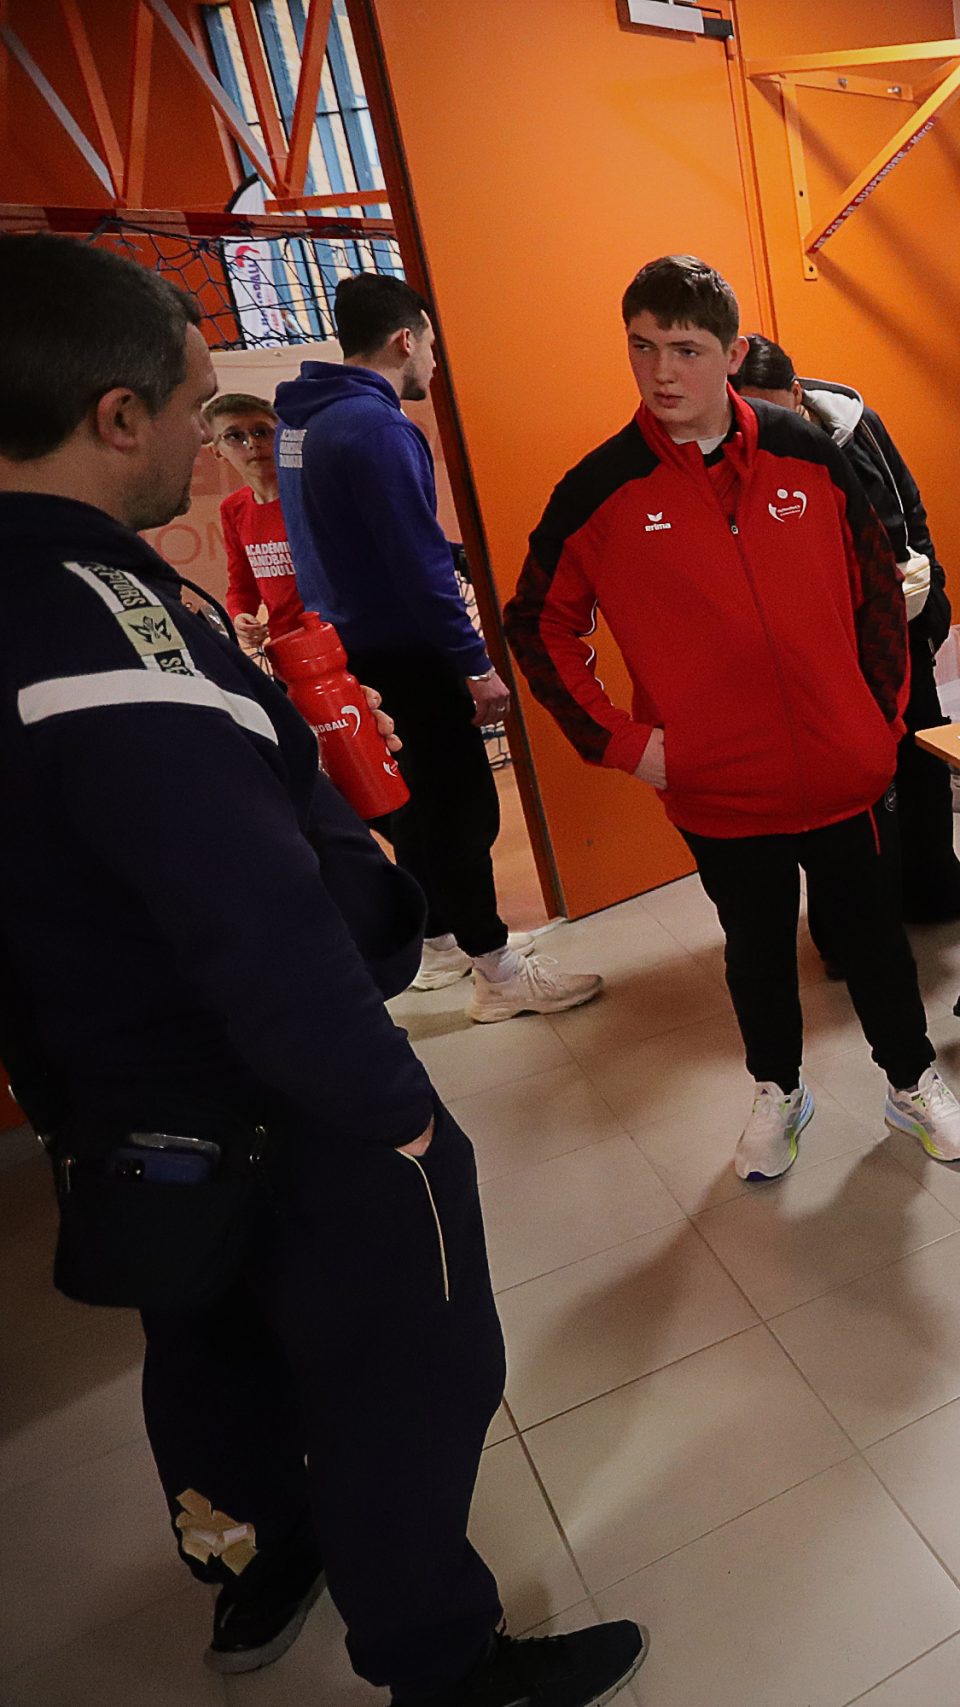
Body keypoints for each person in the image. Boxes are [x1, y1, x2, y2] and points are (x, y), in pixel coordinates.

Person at [0, 234, 646, 1707]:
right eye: (191, 408)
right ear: (115, 415)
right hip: (274, 1094)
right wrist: (394, 1112)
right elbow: (250, 915)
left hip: (119, 1107)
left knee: (206, 1345)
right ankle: (440, 1657)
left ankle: (253, 1561)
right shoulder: (112, 643)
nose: (208, 444)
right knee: (406, 1369)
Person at [505, 256, 960, 1182]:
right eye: (643, 347)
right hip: (718, 787)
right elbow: (536, 623)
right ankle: (780, 1089)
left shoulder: (809, 452)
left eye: (686, 349)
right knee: (758, 952)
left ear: (731, 354)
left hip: (844, 770)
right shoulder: (601, 487)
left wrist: (877, 718)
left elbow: (878, 588)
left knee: (875, 941)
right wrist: (623, 742)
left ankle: (911, 1080)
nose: (661, 372)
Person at [275, 273, 602, 1017]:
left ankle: (444, 939)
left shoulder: (303, 421)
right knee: (461, 809)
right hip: (406, 651)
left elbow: (355, 533)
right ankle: (499, 972)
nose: (434, 361)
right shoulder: (379, 427)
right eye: (429, 343)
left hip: (351, 646)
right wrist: (474, 663)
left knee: (417, 807)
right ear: (405, 339)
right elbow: (417, 567)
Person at [734, 333, 960, 933]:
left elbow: (911, 511)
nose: (764, 425)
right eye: (750, 412)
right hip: (817, 646)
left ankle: (937, 881)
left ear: (796, 393)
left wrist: (932, 600)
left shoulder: (858, 428)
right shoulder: (736, 458)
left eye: (773, 409)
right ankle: (851, 920)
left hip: (897, 628)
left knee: (921, 759)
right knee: (847, 784)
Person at [204, 391, 300, 652]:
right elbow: (242, 584)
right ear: (217, 451)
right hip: (284, 647)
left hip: (335, 641)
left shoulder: (307, 496)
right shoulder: (233, 508)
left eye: (262, 432)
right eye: (235, 436)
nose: (253, 444)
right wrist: (240, 615)